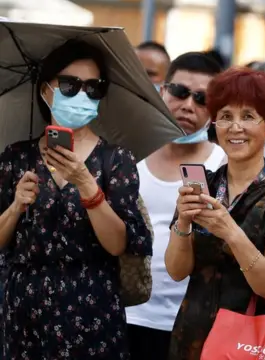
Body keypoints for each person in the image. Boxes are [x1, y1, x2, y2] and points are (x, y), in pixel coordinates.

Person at [0, 40, 152, 358]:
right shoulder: (17, 157)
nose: (82, 95)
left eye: (94, 88)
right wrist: (16, 206)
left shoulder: (116, 159)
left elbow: (118, 244)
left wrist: (87, 186)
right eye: (70, 85)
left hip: (91, 308)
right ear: (46, 91)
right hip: (25, 311)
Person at [165, 68, 265, 360]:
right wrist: (182, 223)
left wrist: (231, 232)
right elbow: (176, 270)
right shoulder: (204, 184)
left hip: (250, 346)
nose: (235, 127)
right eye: (225, 116)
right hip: (191, 338)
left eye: (248, 117)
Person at [125, 52, 226, 360]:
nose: (188, 105)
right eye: (180, 92)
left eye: (201, 98)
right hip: (125, 313)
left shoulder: (223, 165)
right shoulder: (129, 155)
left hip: (191, 323)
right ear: (162, 91)